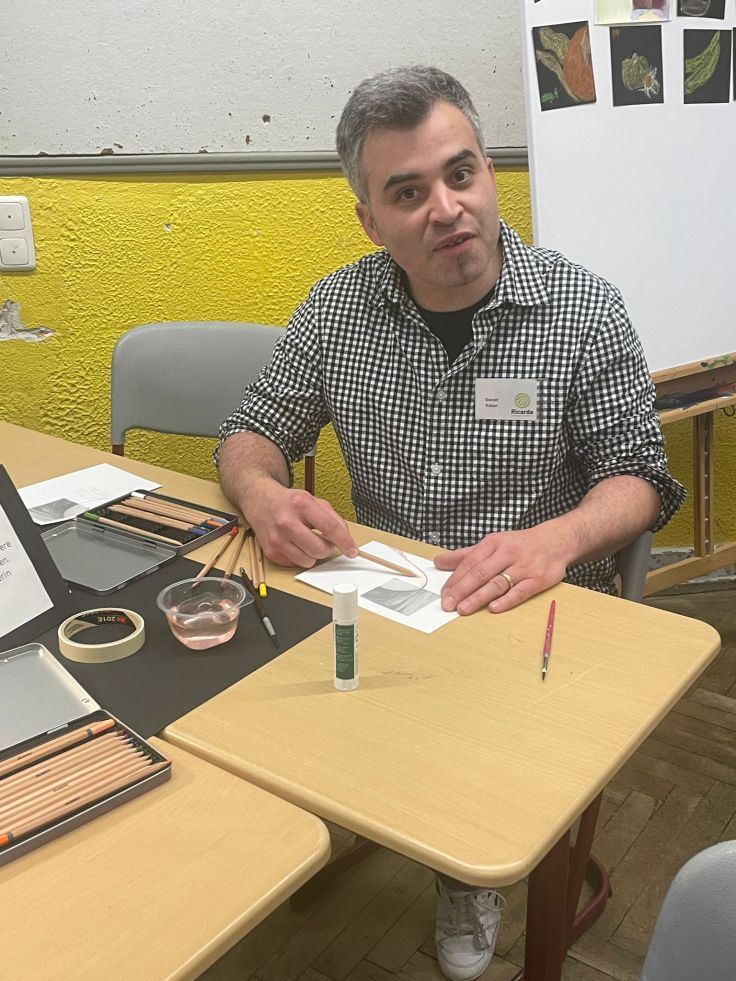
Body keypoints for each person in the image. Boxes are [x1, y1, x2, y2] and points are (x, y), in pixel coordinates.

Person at [217, 66, 684, 980]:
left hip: (530, 613)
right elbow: (251, 432)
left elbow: (640, 478)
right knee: (239, 711)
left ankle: (465, 867)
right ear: (370, 221)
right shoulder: (338, 308)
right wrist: (267, 498)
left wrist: (556, 539)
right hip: (385, 603)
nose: (447, 209)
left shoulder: (583, 310)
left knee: (472, 763)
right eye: (408, 192)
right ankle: (353, 807)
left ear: (489, 174)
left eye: (461, 174)